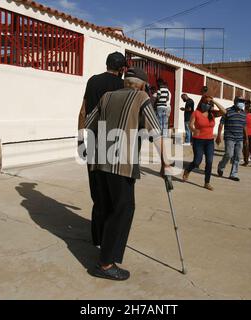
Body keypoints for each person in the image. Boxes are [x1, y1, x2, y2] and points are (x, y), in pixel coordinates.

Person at [84, 67, 170, 281]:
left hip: (99, 160)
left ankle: (105, 248)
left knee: (106, 206)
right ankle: (105, 264)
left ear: (125, 82)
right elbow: (155, 132)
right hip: (121, 164)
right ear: (141, 84)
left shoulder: (106, 96)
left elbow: (88, 122)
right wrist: (166, 162)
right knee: (123, 210)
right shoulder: (142, 97)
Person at [77, 52, 127, 252]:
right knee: (115, 194)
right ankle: (108, 238)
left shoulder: (93, 81)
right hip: (115, 145)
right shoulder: (123, 87)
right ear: (122, 69)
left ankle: (96, 238)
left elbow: (83, 112)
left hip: (93, 142)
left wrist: (81, 141)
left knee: (98, 193)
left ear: (107, 64)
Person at [182, 95, 226, 190]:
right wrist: (194, 130)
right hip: (198, 140)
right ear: (201, 103)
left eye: (208, 103)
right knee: (197, 161)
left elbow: (224, 112)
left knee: (209, 162)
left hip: (209, 141)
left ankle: (207, 182)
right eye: (205, 102)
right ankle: (187, 170)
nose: (206, 105)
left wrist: (214, 101)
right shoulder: (196, 113)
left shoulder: (212, 114)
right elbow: (190, 125)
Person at [216, 96, 248, 182]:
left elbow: (244, 126)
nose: (242, 103)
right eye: (240, 101)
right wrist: (218, 136)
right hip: (229, 137)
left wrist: (246, 138)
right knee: (229, 154)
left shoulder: (244, 113)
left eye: (243, 101)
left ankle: (233, 174)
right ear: (235, 101)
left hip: (240, 138)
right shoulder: (227, 111)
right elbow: (221, 124)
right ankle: (221, 166)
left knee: (237, 156)